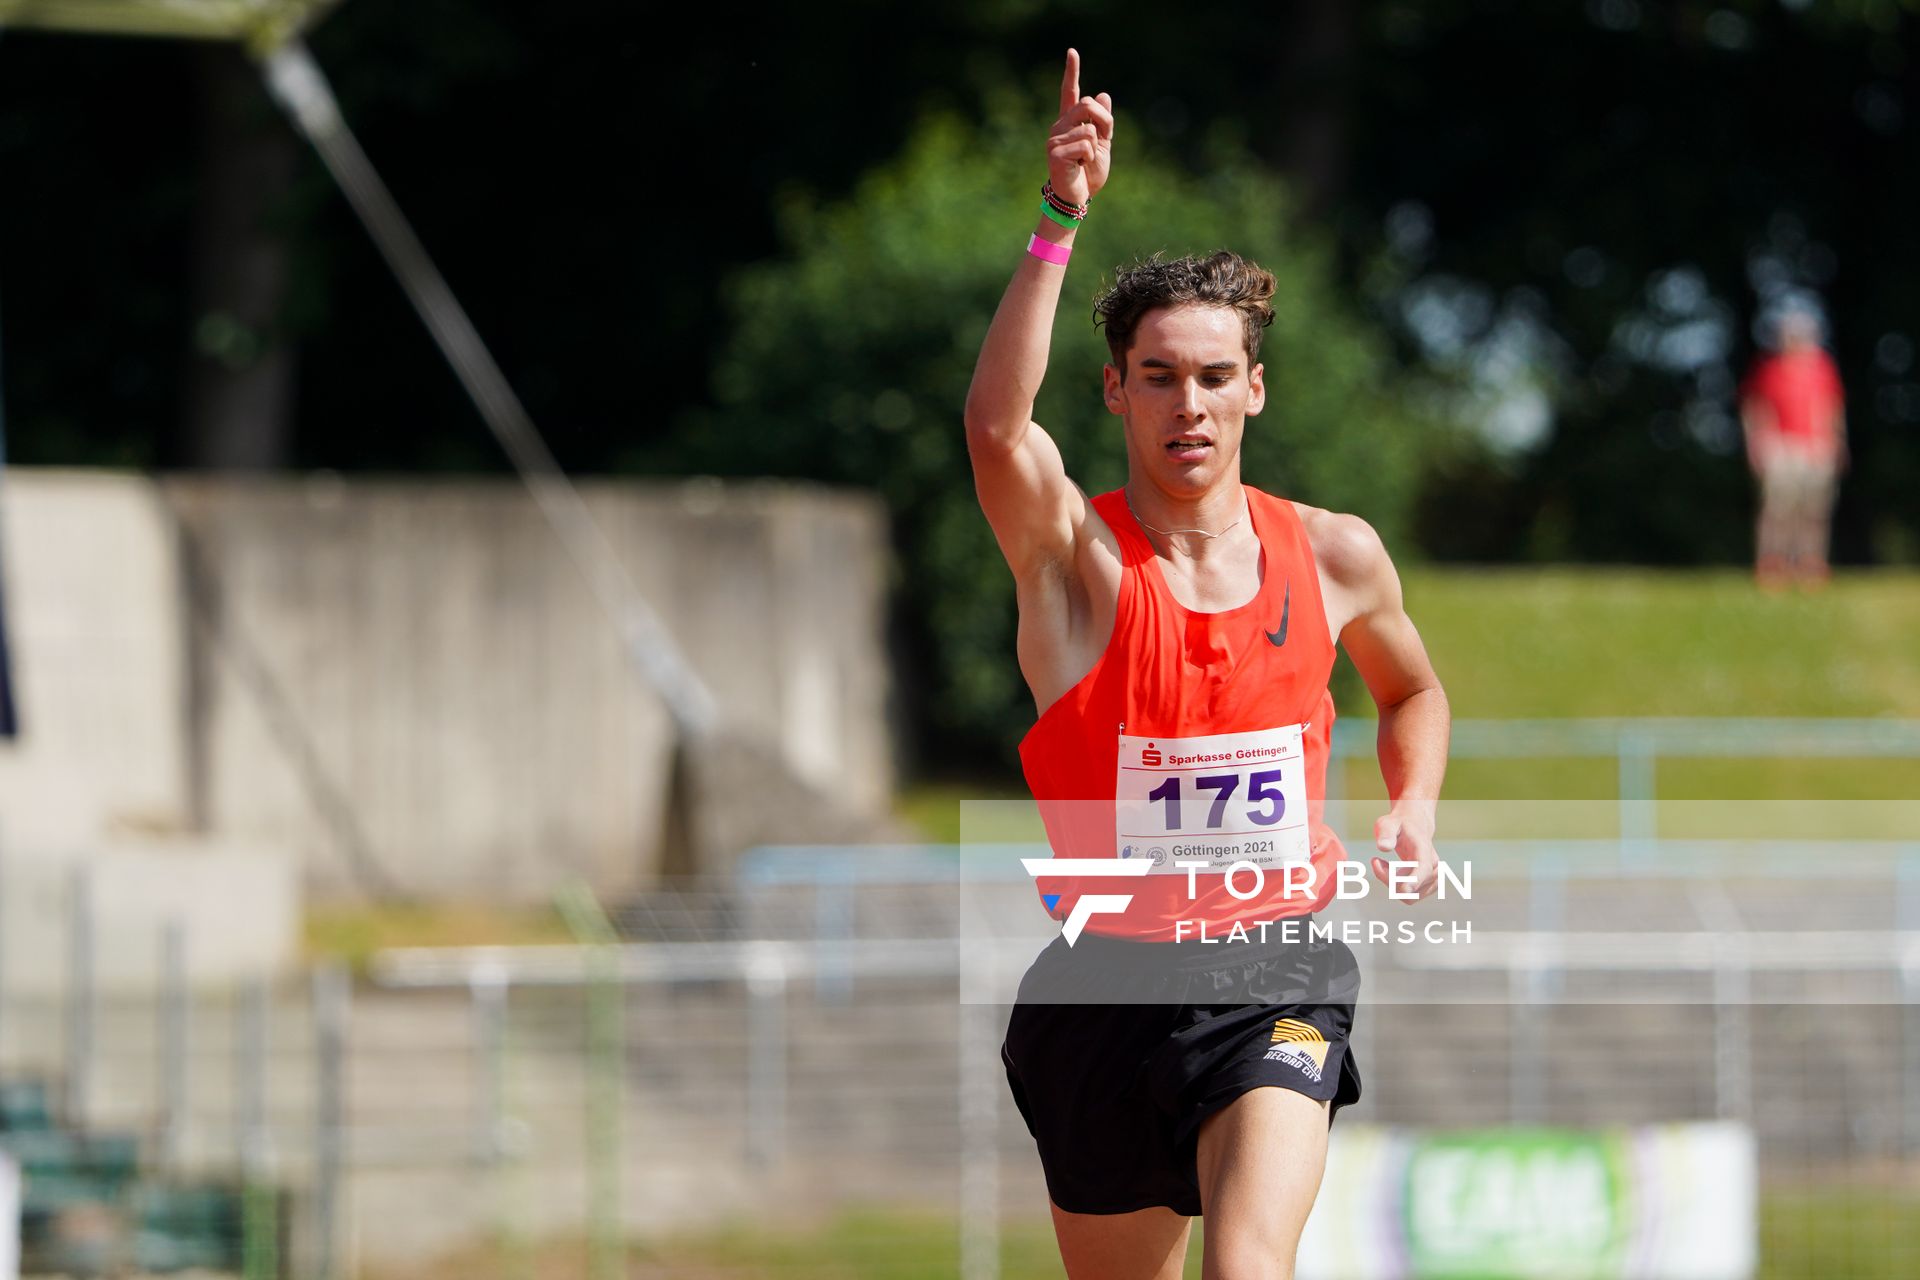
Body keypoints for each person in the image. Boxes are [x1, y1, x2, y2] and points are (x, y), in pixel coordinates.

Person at [964, 50, 1450, 1280]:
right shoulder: (1077, 568)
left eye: (1217, 376)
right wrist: (1059, 215)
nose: (1192, 403)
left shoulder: (1336, 555)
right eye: (1163, 376)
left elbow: (1413, 689)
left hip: (1277, 963)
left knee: (1246, 1264)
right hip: (1104, 985)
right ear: (1117, 390)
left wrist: (1413, 805)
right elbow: (994, 429)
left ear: (1257, 390)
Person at [1740, 300, 1846, 590]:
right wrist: (1757, 443)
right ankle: (1772, 563)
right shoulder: (1769, 369)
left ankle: (1810, 563)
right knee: (1778, 510)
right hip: (1781, 446)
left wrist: (1836, 441)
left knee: (1813, 511)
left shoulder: (1822, 367)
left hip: (1816, 446)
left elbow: (1829, 407)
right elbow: (1755, 408)